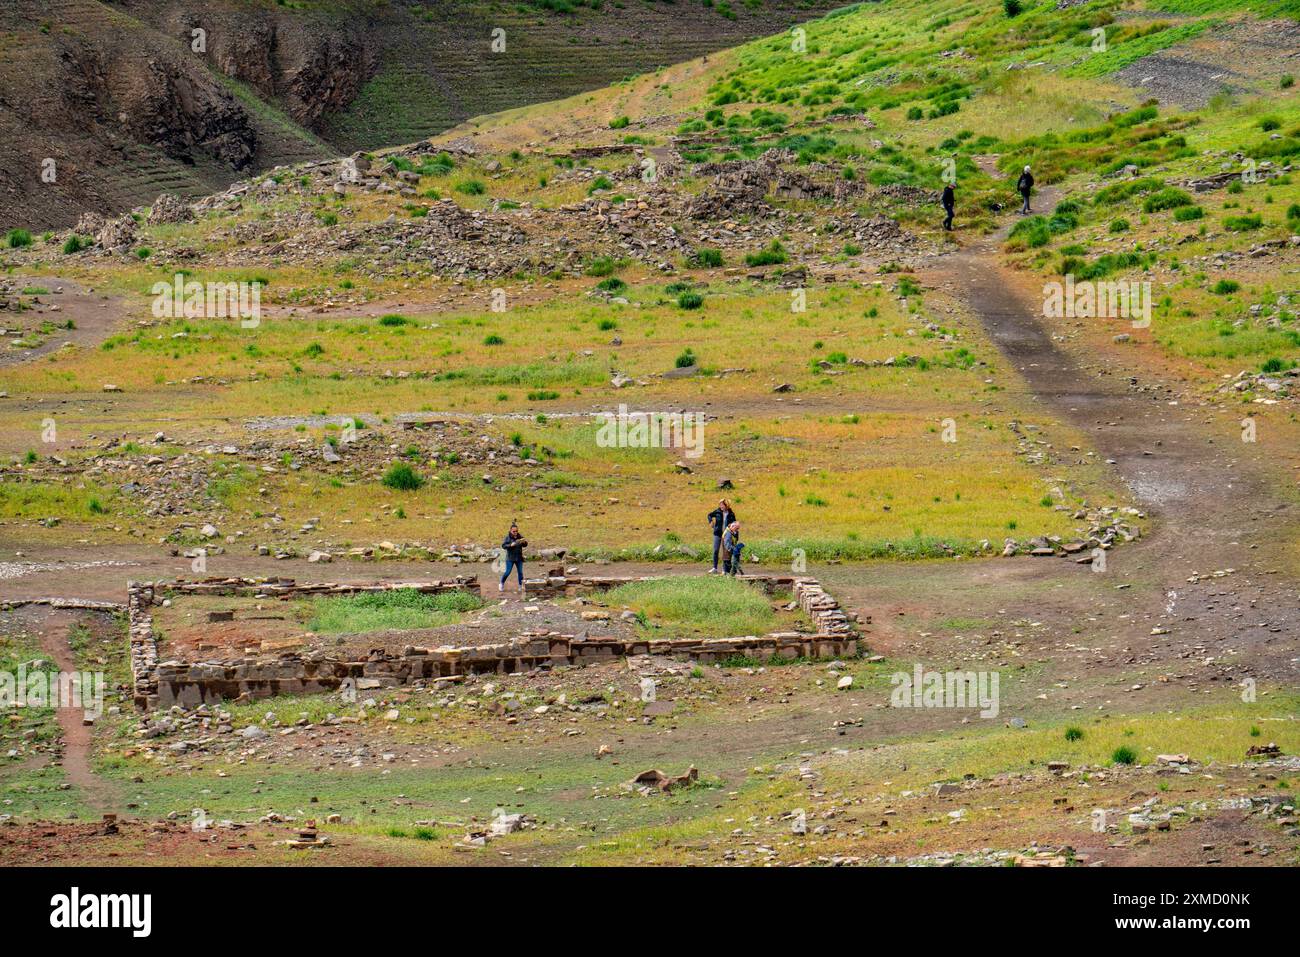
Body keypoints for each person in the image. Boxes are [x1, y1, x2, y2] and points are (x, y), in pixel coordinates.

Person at [706, 499, 737, 573]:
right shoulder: (718, 511)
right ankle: (714, 568)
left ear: (726, 505)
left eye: (722, 505)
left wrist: (733, 527)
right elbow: (709, 515)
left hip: (726, 535)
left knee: (725, 552)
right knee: (715, 550)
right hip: (717, 533)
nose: (720, 506)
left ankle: (724, 569)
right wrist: (710, 521)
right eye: (720, 505)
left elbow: (734, 523)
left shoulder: (731, 514)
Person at [498, 521, 527, 595]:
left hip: (519, 557)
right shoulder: (507, 538)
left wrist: (524, 542)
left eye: (516, 531)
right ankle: (501, 583)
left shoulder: (520, 536)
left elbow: (525, 545)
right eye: (514, 531)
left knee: (520, 572)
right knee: (507, 572)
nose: (515, 532)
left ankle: (521, 585)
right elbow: (503, 546)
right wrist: (511, 545)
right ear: (510, 530)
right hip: (510, 558)